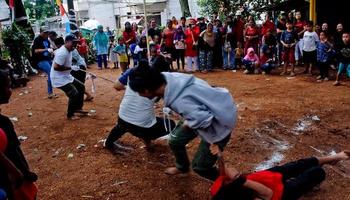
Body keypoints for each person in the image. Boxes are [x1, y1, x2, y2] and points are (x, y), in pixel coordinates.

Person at [128, 65, 237, 181]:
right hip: (211, 107)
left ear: (146, 90)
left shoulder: (181, 102)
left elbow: (204, 120)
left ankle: (228, 182)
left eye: (139, 92)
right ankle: (182, 167)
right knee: (175, 141)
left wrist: (189, 124)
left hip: (218, 124)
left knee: (200, 167)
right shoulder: (167, 78)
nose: (139, 95)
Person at [210, 145, 350, 200]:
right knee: (316, 173)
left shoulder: (218, 192)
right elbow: (268, 194)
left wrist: (219, 156)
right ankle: (314, 182)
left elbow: (223, 174)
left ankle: (335, 157)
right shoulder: (244, 194)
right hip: (279, 193)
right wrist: (241, 179)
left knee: (298, 164)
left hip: (265, 177)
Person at [105, 60, 175, 154]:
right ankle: (148, 141)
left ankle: (109, 142)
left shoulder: (132, 72)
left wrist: (128, 87)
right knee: (170, 124)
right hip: (143, 125)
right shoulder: (163, 82)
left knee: (123, 124)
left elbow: (117, 86)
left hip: (123, 117)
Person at [0, 70, 38, 200]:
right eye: (8, 86)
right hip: (11, 179)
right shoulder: (3, 123)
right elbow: (14, 151)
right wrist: (24, 172)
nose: (10, 90)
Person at [50, 34, 87, 120]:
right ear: (66, 42)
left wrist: (74, 66)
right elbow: (56, 67)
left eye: (76, 43)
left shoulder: (69, 50)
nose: (75, 45)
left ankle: (78, 108)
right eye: (73, 42)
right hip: (58, 78)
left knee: (81, 86)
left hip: (66, 76)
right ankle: (70, 114)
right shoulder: (62, 52)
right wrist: (71, 68)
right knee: (73, 93)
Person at [31, 26, 56, 99]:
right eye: (45, 33)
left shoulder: (47, 40)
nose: (47, 34)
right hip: (40, 60)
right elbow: (35, 51)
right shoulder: (37, 40)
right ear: (41, 32)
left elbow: (48, 50)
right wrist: (46, 49)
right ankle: (50, 93)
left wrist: (51, 52)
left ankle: (51, 92)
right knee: (50, 72)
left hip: (47, 59)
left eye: (48, 33)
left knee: (53, 71)